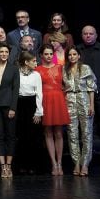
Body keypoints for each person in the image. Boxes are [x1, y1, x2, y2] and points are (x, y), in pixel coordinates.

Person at [36, 43, 71, 176]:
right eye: (46, 54)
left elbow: (68, 84)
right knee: (48, 133)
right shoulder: (37, 69)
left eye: (51, 53)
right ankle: (53, 163)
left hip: (58, 100)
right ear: (41, 55)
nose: (49, 56)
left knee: (59, 133)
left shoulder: (60, 67)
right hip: (45, 100)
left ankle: (60, 162)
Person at [63, 47, 96, 177]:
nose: (72, 56)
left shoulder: (85, 68)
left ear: (79, 55)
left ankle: (85, 164)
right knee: (72, 134)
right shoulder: (64, 70)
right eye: (69, 55)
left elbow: (91, 87)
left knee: (87, 133)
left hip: (84, 100)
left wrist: (92, 105)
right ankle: (76, 162)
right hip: (69, 102)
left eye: (74, 54)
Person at [0, 42, 20, 178]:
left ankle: (9, 165)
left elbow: (16, 89)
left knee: (10, 136)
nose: (4, 54)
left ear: (9, 53)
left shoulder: (14, 69)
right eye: (1, 52)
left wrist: (13, 107)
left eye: (6, 52)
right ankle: (2, 166)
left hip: (9, 105)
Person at [76, 26, 100, 140]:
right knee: (87, 118)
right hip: (84, 91)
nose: (88, 36)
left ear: (96, 35)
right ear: (82, 35)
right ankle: (92, 144)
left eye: (91, 34)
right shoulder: (77, 50)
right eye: (85, 33)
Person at [15, 51, 43, 175]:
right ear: (26, 62)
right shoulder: (16, 73)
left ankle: (33, 165)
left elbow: (39, 93)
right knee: (21, 136)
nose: (36, 63)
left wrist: (38, 112)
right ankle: (21, 165)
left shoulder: (36, 75)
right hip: (20, 105)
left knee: (33, 136)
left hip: (32, 105)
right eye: (34, 61)